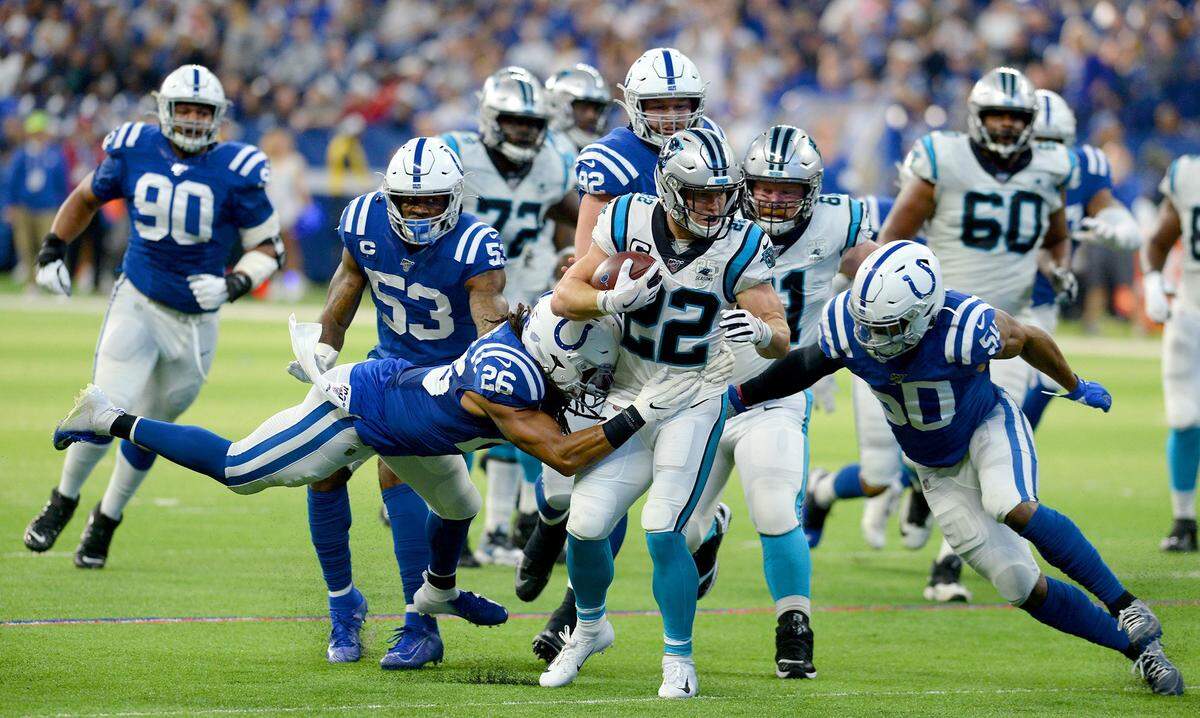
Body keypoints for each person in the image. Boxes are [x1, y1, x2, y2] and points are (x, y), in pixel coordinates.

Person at [49, 296, 710, 656]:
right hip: (360, 410)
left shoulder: (543, 339)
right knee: (240, 469)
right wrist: (642, 414)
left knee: (460, 504)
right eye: (587, 370)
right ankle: (109, 415)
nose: (592, 381)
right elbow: (565, 457)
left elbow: (571, 295)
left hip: (420, 428)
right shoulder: (510, 373)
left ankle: (436, 594)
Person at [730, 241, 1184, 697]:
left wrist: (1076, 385)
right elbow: (805, 366)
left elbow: (1029, 339)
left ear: (925, 312)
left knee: (1010, 504)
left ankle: (1124, 604)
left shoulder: (964, 325)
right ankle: (1139, 652)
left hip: (987, 427)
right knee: (1018, 584)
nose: (874, 338)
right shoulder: (849, 325)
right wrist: (739, 398)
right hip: (934, 468)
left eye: (889, 326)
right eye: (869, 325)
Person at [542, 127, 789, 698]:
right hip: (626, 395)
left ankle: (679, 656)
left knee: (662, 526)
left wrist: (758, 331)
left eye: (721, 193)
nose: (714, 205)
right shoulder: (626, 218)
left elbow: (781, 333)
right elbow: (564, 296)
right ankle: (589, 626)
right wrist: (608, 300)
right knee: (584, 525)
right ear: (670, 189)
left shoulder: (743, 242)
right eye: (700, 194)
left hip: (693, 398)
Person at [23, 65, 282, 568]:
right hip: (137, 301)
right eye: (182, 108)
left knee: (151, 427)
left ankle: (108, 518)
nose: (190, 118)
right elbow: (86, 198)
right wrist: (53, 248)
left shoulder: (238, 168)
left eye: (200, 110)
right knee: (105, 407)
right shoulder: (134, 148)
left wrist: (233, 284)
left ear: (217, 117)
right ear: (163, 110)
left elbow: (268, 247)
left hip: (195, 322)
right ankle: (63, 499)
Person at [292, 137, 508, 668]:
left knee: (396, 473)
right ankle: (343, 604)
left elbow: (488, 328)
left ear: (454, 198)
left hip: (448, 382)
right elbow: (347, 282)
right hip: (384, 365)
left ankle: (420, 623)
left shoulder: (475, 244)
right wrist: (323, 348)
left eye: (432, 200)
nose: (418, 210)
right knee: (322, 467)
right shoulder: (365, 219)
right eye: (409, 201)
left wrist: (488, 385)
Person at [868, 67, 1076, 601]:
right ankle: (920, 492)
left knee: (995, 448)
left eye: (1015, 117)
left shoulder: (1052, 166)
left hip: (1001, 329)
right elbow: (894, 239)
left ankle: (947, 565)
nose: (1006, 125)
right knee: (942, 444)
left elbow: (1057, 238)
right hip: (936, 325)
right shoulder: (945, 158)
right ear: (976, 118)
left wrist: (1057, 266)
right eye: (996, 115)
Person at [681, 125, 874, 679]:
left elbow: (877, 274)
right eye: (764, 186)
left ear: (812, 189)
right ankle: (711, 528)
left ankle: (794, 624)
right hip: (698, 393)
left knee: (773, 507)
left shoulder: (842, 220)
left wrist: (838, 338)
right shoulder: (712, 216)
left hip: (776, 393)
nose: (774, 198)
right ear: (744, 182)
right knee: (677, 530)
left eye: (789, 189)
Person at [442, 67, 578, 566]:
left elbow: (571, 216)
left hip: (524, 303)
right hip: (464, 300)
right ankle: (452, 514)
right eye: (513, 120)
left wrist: (574, 256)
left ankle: (507, 526)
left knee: (512, 407)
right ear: (489, 117)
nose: (523, 130)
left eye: (530, 121)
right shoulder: (456, 152)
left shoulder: (555, 159)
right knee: (458, 411)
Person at [1022, 89, 1142, 429]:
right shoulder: (998, 174)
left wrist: (1121, 226)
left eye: (1053, 140)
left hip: (1042, 299)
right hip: (992, 291)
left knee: (1044, 381)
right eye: (1038, 140)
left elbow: (1107, 205)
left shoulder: (1085, 167)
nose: (1045, 150)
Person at [1143, 153, 1200, 553]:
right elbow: (1161, 239)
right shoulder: (1188, 173)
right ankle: (1183, 519)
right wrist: (1151, 280)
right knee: (1184, 418)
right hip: (1191, 313)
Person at [5, 111, 69, 291]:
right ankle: (32, 284)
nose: (38, 136)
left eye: (41, 132)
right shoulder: (21, 155)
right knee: (25, 247)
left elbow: (61, 183)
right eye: (35, 132)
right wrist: (10, 205)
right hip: (24, 207)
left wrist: (62, 206)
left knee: (50, 247)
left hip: (47, 207)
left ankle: (55, 284)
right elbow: (12, 182)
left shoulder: (55, 155)